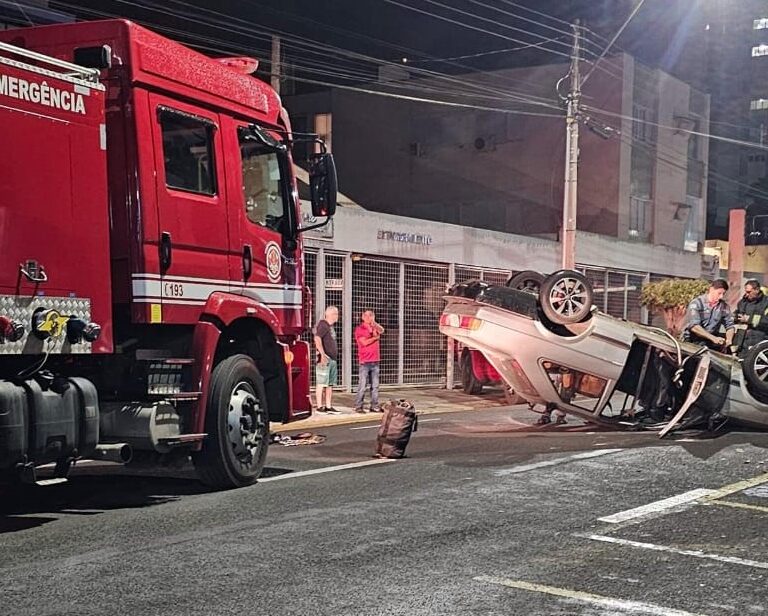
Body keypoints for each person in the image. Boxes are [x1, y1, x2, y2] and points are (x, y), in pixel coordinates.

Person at [682, 279, 735, 352]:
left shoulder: (723, 307)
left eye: (723, 294)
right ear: (711, 290)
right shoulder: (697, 303)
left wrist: (728, 340)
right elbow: (694, 327)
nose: (721, 297)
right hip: (692, 342)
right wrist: (713, 338)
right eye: (719, 293)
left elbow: (730, 325)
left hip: (709, 343)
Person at [353, 310, 385, 413]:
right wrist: (375, 338)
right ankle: (359, 406)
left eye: (370, 315)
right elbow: (364, 342)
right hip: (365, 361)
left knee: (375, 386)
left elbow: (382, 330)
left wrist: (374, 323)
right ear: (362, 317)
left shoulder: (374, 327)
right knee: (362, 386)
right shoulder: (360, 329)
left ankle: (374, 405)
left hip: (375, 360)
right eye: (366, 315)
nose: (368, 317)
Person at [313, 306, 340, 414]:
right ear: (330, 314)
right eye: (336, 314)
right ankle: (320, 406)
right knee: (321, 382)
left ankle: (328, 406)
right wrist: (322, 354)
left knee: (330, 384)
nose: (337, 316)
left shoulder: (330, 326)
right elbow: (317, 338)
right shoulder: (323, 325)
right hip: (325, 359)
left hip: (332, 359)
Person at [735, 279, 768, 353]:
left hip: (759, 342)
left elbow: (766, 321)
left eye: (749, 292)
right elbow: (738, 312)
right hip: (742, 341)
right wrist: (736, 316)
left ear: (757, 290)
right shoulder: (743, 302)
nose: (746, 294)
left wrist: (749, 319)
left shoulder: (766, 303)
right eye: (745, 291)